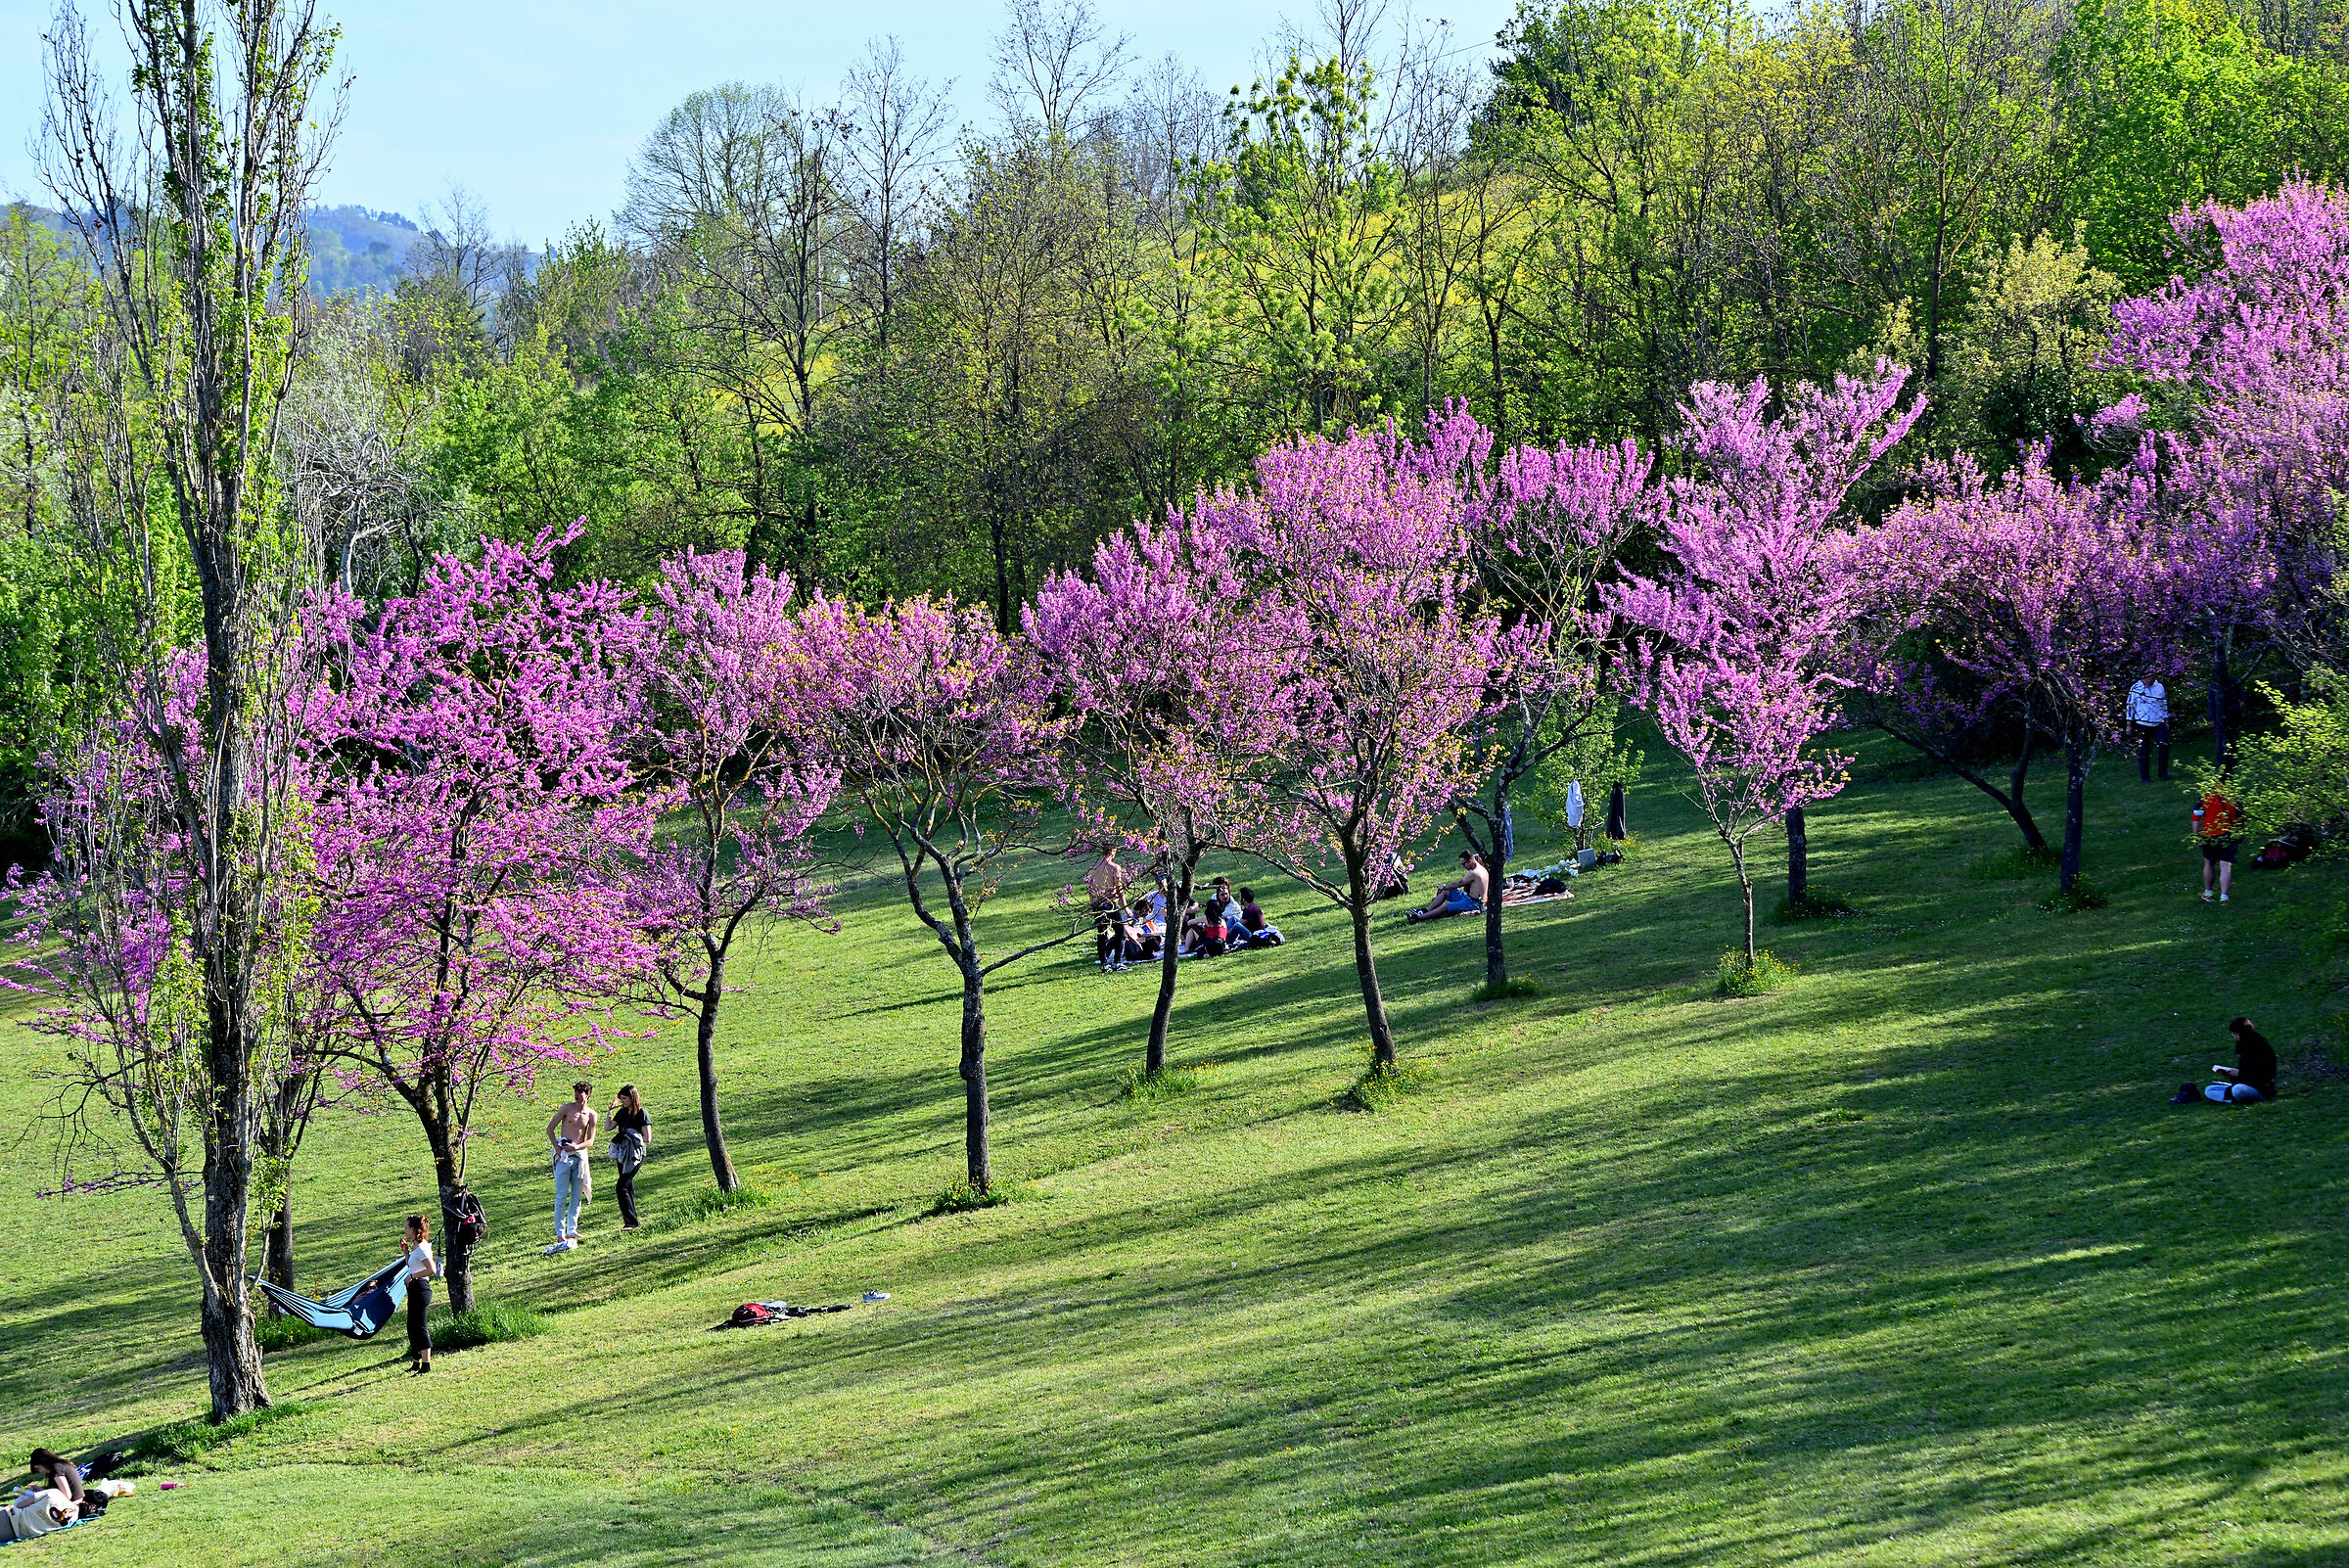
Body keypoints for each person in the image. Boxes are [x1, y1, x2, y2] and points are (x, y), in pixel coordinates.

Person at [2171, 1016, 2279, 1104]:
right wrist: (2232, 1074)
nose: (2235, 1037)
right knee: (2209, 1090)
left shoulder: (2262, 1048)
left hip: (2261, 1089)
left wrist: (2240, 1074)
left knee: (2238, 1090)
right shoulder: (2245, 1049)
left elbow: (2263, 1076)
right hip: (2246, 1084)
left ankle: (2235, 1098)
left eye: (2236, 1034)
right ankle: (2233, 1097)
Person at [546, 1081, 597, 1252]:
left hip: (579, 1156)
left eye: (581, 1092)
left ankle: (572, 1229)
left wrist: (577, 1147)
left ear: (587, 1094)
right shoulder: (566, 1109)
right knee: (561, 1196)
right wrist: (558, 1149)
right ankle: (560, 1233)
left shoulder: (591, 1114)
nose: (577, 1095)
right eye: (576, 1091)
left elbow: (590, 1140)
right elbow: (550, 1129)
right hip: (564, 1157)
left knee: (576, 1195)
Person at [397, 1213, 438, 1374]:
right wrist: (406, 1252)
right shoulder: (416, 1246)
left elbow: (432, 1269)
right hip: (414, 1289)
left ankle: (426, 1365)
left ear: (414, 1229)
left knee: (420, 1326)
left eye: (406, 1227)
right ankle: (416, 1361)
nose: (405, 1230)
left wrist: (412, 1277)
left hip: (420, 1288)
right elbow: (413, 1265)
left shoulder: (421, 1247)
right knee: (412, 1326)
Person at [1085, 850, 1134, 971]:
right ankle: (1117, 962)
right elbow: (1119, 889)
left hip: (1097, 905)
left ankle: (1104, 964)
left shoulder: (1094, 868)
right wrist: (1125, 907)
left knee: (1102, 934)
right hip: (1111, 904)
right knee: (1121, 932)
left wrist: (1093, 903)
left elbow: (1090, 888)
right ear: (1112, 851)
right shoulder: (1114, 868)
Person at [610, 1084, 650, 1230]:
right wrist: (609, 1111)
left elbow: (647, 1138)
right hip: (622, 1154)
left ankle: (631, 1222)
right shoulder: (621, 1113)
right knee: (627, 1185)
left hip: (635, 1155)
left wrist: (631, 1135)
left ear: (632, 1098)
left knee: (621, 1186)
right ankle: (632, 1221)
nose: (622, 1101)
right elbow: (608, 1127)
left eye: (624, 1098)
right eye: (621, 1099)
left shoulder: (641, 1113)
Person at [2193, 784, 2242, 904]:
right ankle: (2224, 898)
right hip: (2228, 834)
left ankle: (2208, 893)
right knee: (2225, 865)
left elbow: (2196, 817)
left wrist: (2196, 836)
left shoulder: (2205, 796)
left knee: (2208, 862)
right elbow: (2242, 816)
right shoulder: (2233, 796)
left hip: (2209, 834)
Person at [1408, 852, 1489, 923]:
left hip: (1474, 904)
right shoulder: (1482, 869)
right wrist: (1445, 888)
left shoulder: (1474, 873)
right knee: (1446, 891)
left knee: (1446, 906)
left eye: (1463, 864)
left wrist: (1444, 886)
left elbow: (1457, 884)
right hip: (1470, 898)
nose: (1463, 866)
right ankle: (1425, 911)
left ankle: (1417, 918)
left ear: (1470, 861)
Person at [2128, 671, 2171, 782]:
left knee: (2164, 745)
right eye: (2148, 676)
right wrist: (2129, 724)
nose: (2150, 678)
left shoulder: (2159, 687)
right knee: (2144, 750)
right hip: (2142, 723)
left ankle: (2163, 772)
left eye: (2152, 675)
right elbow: (2130, 706)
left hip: (2158, 721)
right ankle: (2145, 777)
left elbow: (2163, 703)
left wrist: (2166, 720)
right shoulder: (2136, 688)